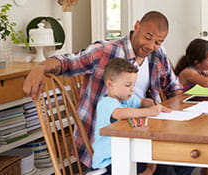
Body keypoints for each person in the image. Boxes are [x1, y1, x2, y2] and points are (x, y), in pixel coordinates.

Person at [23, 11, 193, 174]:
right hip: (108, 144)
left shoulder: (158, 54)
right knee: (170, 169)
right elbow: (68, 62)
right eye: (148, 37)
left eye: (158, 42)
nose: (150, 46)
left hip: (144, 135)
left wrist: (182, 115)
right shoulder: (106, 50)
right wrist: (41, 67)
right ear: (137, 26)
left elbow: (174, 87)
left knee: (187, 158)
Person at [93, 58, 166, 175]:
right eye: (128, 85)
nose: (132, 89)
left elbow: (142, 101)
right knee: (154, 166)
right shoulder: (107, 103)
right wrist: (149, 112)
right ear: (110, 85)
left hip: (126, 152)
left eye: (134, 85)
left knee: (162, 165)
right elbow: (120, 113)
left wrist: (153, 104)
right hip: (109, 161)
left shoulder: (125, 99)